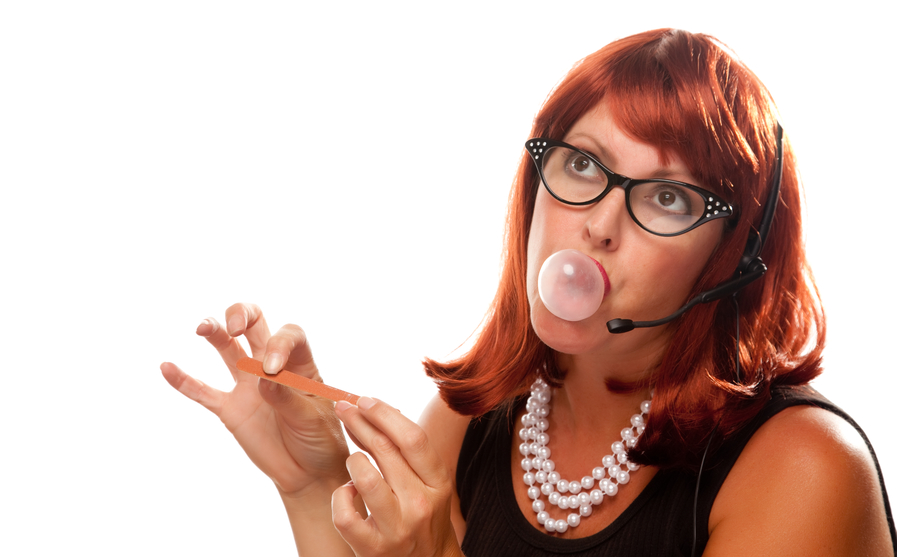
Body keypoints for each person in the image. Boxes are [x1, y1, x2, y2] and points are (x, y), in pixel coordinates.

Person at [161, 28, 896, 556]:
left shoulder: (803, 467)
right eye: (581, 164)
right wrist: (312, 483)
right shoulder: (473, 414)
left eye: (667, 198)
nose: (599, 225)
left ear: (733, 254)